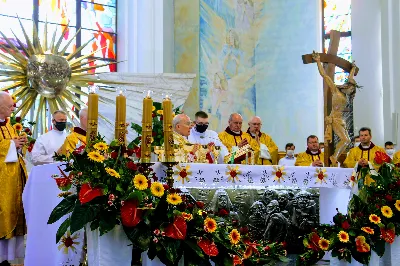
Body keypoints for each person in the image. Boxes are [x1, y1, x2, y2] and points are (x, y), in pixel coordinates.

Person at [312, 51, 358, 166]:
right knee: (346, 140)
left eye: (353, 90)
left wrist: (352, 69)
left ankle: (334, 157)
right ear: (347, 86)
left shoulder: (345, 95)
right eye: (351, 88)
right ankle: (334, 157)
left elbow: (351, 77)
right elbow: (325, 76)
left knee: (347, 140)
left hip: (340, 119)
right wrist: (318, 61)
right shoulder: (335, 90)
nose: (351, 90)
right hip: (334, 118)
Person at [0, 92, 28, 264]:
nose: (13, 108)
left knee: (13, 215)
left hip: (13, 180)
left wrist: (19, 144)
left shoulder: (10, 125)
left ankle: (6, 259)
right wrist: (11, 144)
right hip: (2, 182)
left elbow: (14, 150)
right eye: (10, 105)